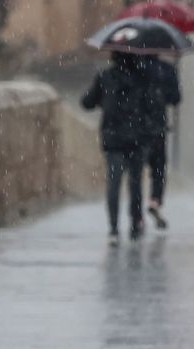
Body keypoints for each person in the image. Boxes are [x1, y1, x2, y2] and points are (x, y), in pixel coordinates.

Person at [81, 51, 151, 245]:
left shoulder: (105, 77)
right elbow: (150, 106)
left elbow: (86, 102)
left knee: (114, 183)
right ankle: (135, 224)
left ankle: (113, 227)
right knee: (135, 184)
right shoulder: (142, 78)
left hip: (113, 139)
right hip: (137, 138)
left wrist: (103, 100)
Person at [141, 55, 181, 230]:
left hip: (137, 127)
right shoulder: (167, 69)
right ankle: (155, 200)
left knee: (136, 172)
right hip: (158, 127)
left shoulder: (134, 68)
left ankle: (136, 215)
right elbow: (176, 98)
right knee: (158, 169)